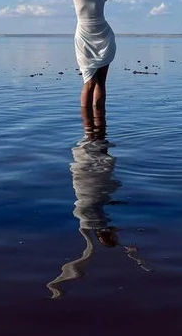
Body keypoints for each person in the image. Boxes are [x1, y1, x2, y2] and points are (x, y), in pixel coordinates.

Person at [45, 108, 151, 299]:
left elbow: (88, 253)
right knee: (96, 148)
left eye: (112, 236)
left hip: (90, 188)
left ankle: (92, 127)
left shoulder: (90, 224)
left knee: (95, 150)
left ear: (105, 235)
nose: (115, 232)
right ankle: (93, 126)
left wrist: (61, 282)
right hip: (91, 189)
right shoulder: (96, 223)